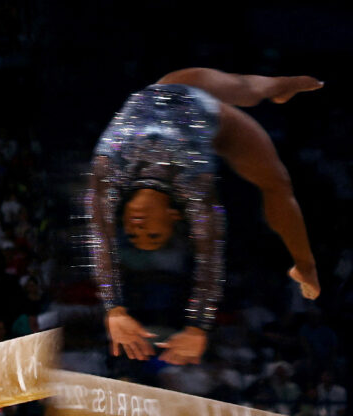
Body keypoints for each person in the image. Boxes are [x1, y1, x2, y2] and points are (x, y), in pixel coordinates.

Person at [88, 68, 322, 366]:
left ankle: (280, 85)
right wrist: (197, 326)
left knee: (248, 90)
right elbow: (209, 254)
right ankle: (306, 266)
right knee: (278, 183)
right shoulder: (193, 185)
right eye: (153, 236)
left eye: (134, 236)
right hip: (220, 124)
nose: (140, 230)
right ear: (174, 217)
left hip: (173, 90)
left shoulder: (108, 171)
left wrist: (115, 309)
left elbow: (99, 237)